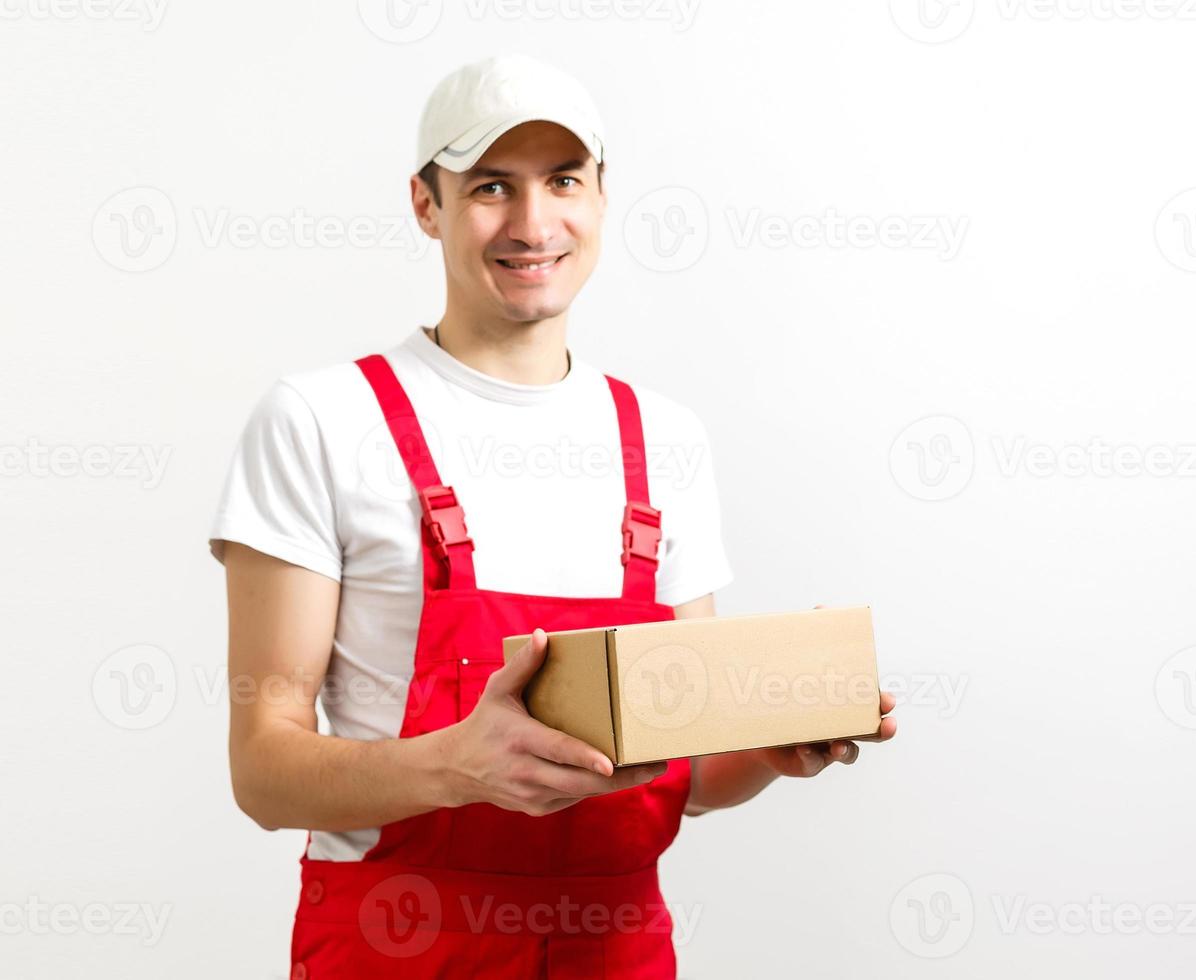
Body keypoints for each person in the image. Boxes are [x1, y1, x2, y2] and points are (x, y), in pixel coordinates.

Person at [209, 53, 898, 978]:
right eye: (492, 186)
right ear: (427, 204)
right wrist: (459, 765)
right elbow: (263, 773)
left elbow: (683, 774)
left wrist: (775, 743)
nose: (534, 224)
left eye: (563, 181)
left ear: (602, 199)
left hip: (616, 953)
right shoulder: (322, 421)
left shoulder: (664, 440)